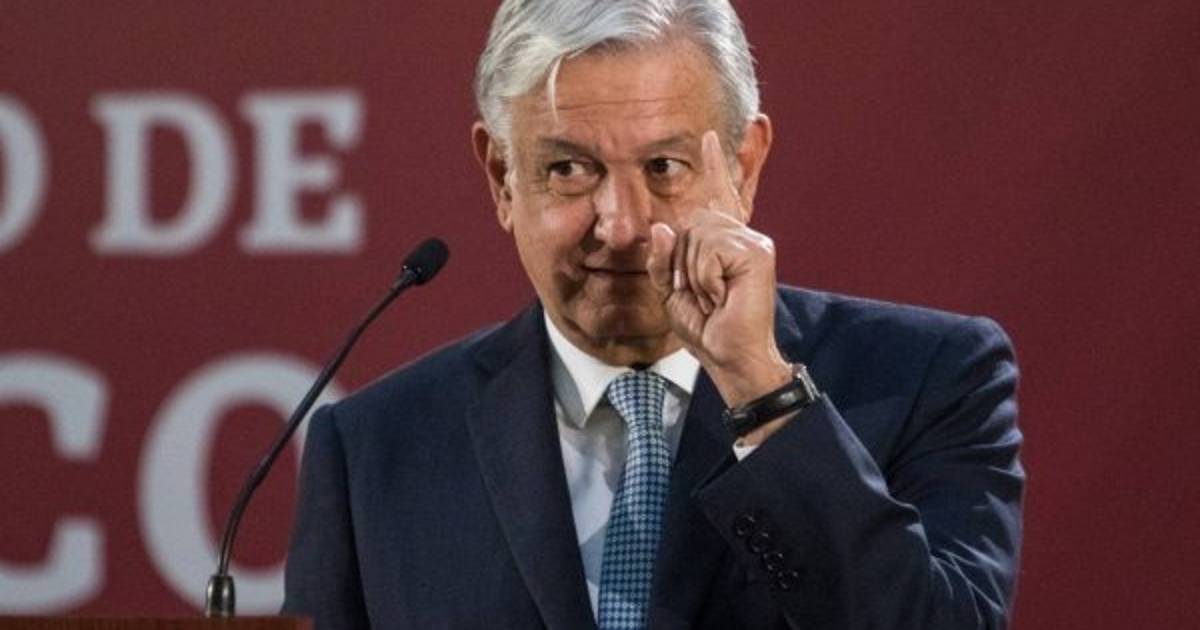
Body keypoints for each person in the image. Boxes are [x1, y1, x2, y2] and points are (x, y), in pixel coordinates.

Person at [281, 1, 1024, 628]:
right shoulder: (373, 449)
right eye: (569, 169)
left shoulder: (926, 380)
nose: (622, 225)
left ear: (744, 167)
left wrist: (762, 390)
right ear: (502, 177)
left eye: (664, 168)